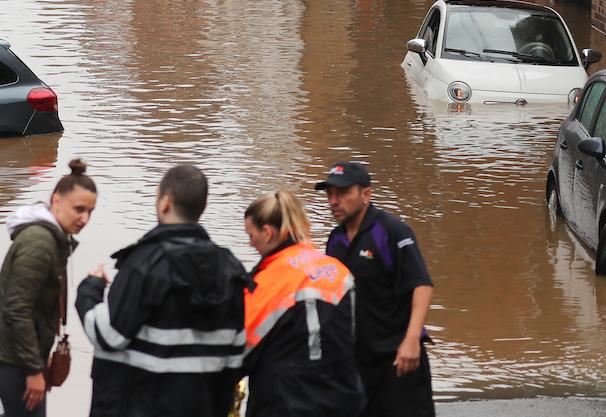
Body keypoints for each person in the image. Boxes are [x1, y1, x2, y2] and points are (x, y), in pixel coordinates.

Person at [76, 164, 248, 417]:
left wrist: (90, 290)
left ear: (164, 203)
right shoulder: (230, 269)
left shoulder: (143, 263)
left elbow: (108, 336)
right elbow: (236, 360)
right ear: (201, 208)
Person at [318, 162, 434, 417]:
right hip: (357, 362)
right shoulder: (334, 241)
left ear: (366, 195)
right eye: (330, 194)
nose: (334, 201)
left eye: (342, 193)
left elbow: (421, 285)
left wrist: (412, 341)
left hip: (398, 359)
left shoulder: (391, 230)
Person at [0, 159, 99, 417]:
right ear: (56, 201)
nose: (84, 219)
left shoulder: (53, 239)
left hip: (17, 358)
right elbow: (17, 310)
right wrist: (33, 370)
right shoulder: (39, 244)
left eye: (90, 212)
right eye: (79, 209)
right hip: (12, 361)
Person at [242, 189, 364, 417]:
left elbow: (241, 350)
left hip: (284, 403)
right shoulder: (338, 272)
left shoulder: (263, 283)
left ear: (267, 233)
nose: (251, 244)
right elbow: (354, 336)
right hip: (342, 399)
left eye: (251, 236)